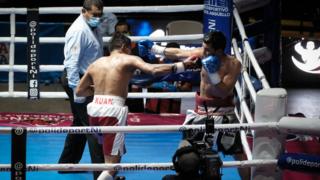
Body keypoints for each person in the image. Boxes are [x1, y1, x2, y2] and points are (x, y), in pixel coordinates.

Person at [76, 32, 197, 180]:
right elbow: (153, 70)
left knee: (108, 156)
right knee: (112, 165)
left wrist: (99, 89)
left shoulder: (96, 63)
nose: (131, 51)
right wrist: (182, 66)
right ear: (123, 46)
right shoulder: (128, 59)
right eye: (129, 48)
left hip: (94, 110)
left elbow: (80, 91)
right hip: (112, 112)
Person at [138, 30, 250, 179]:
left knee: (237, 153)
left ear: (219, 50)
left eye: (207, 49)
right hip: (200, 112)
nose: (203, 51)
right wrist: (155, 48)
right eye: (203, 47)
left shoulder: (233, 64)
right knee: (186, 153)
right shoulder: (204, 54)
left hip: (223, 113)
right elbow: (177, 53)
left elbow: (224, 92)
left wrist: (213, 74)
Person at [59, 0, 109, 179]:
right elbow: (71, 63)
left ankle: (66, 164)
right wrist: (77, 92)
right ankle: (101, 173)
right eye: (94, 14)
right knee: (92, 124)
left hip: (86, 79)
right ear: (83, 11)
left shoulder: (93, 26)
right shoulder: (78, 30)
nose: (97, 17)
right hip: (77, 80)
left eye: (99, 14)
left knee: (80, 122)